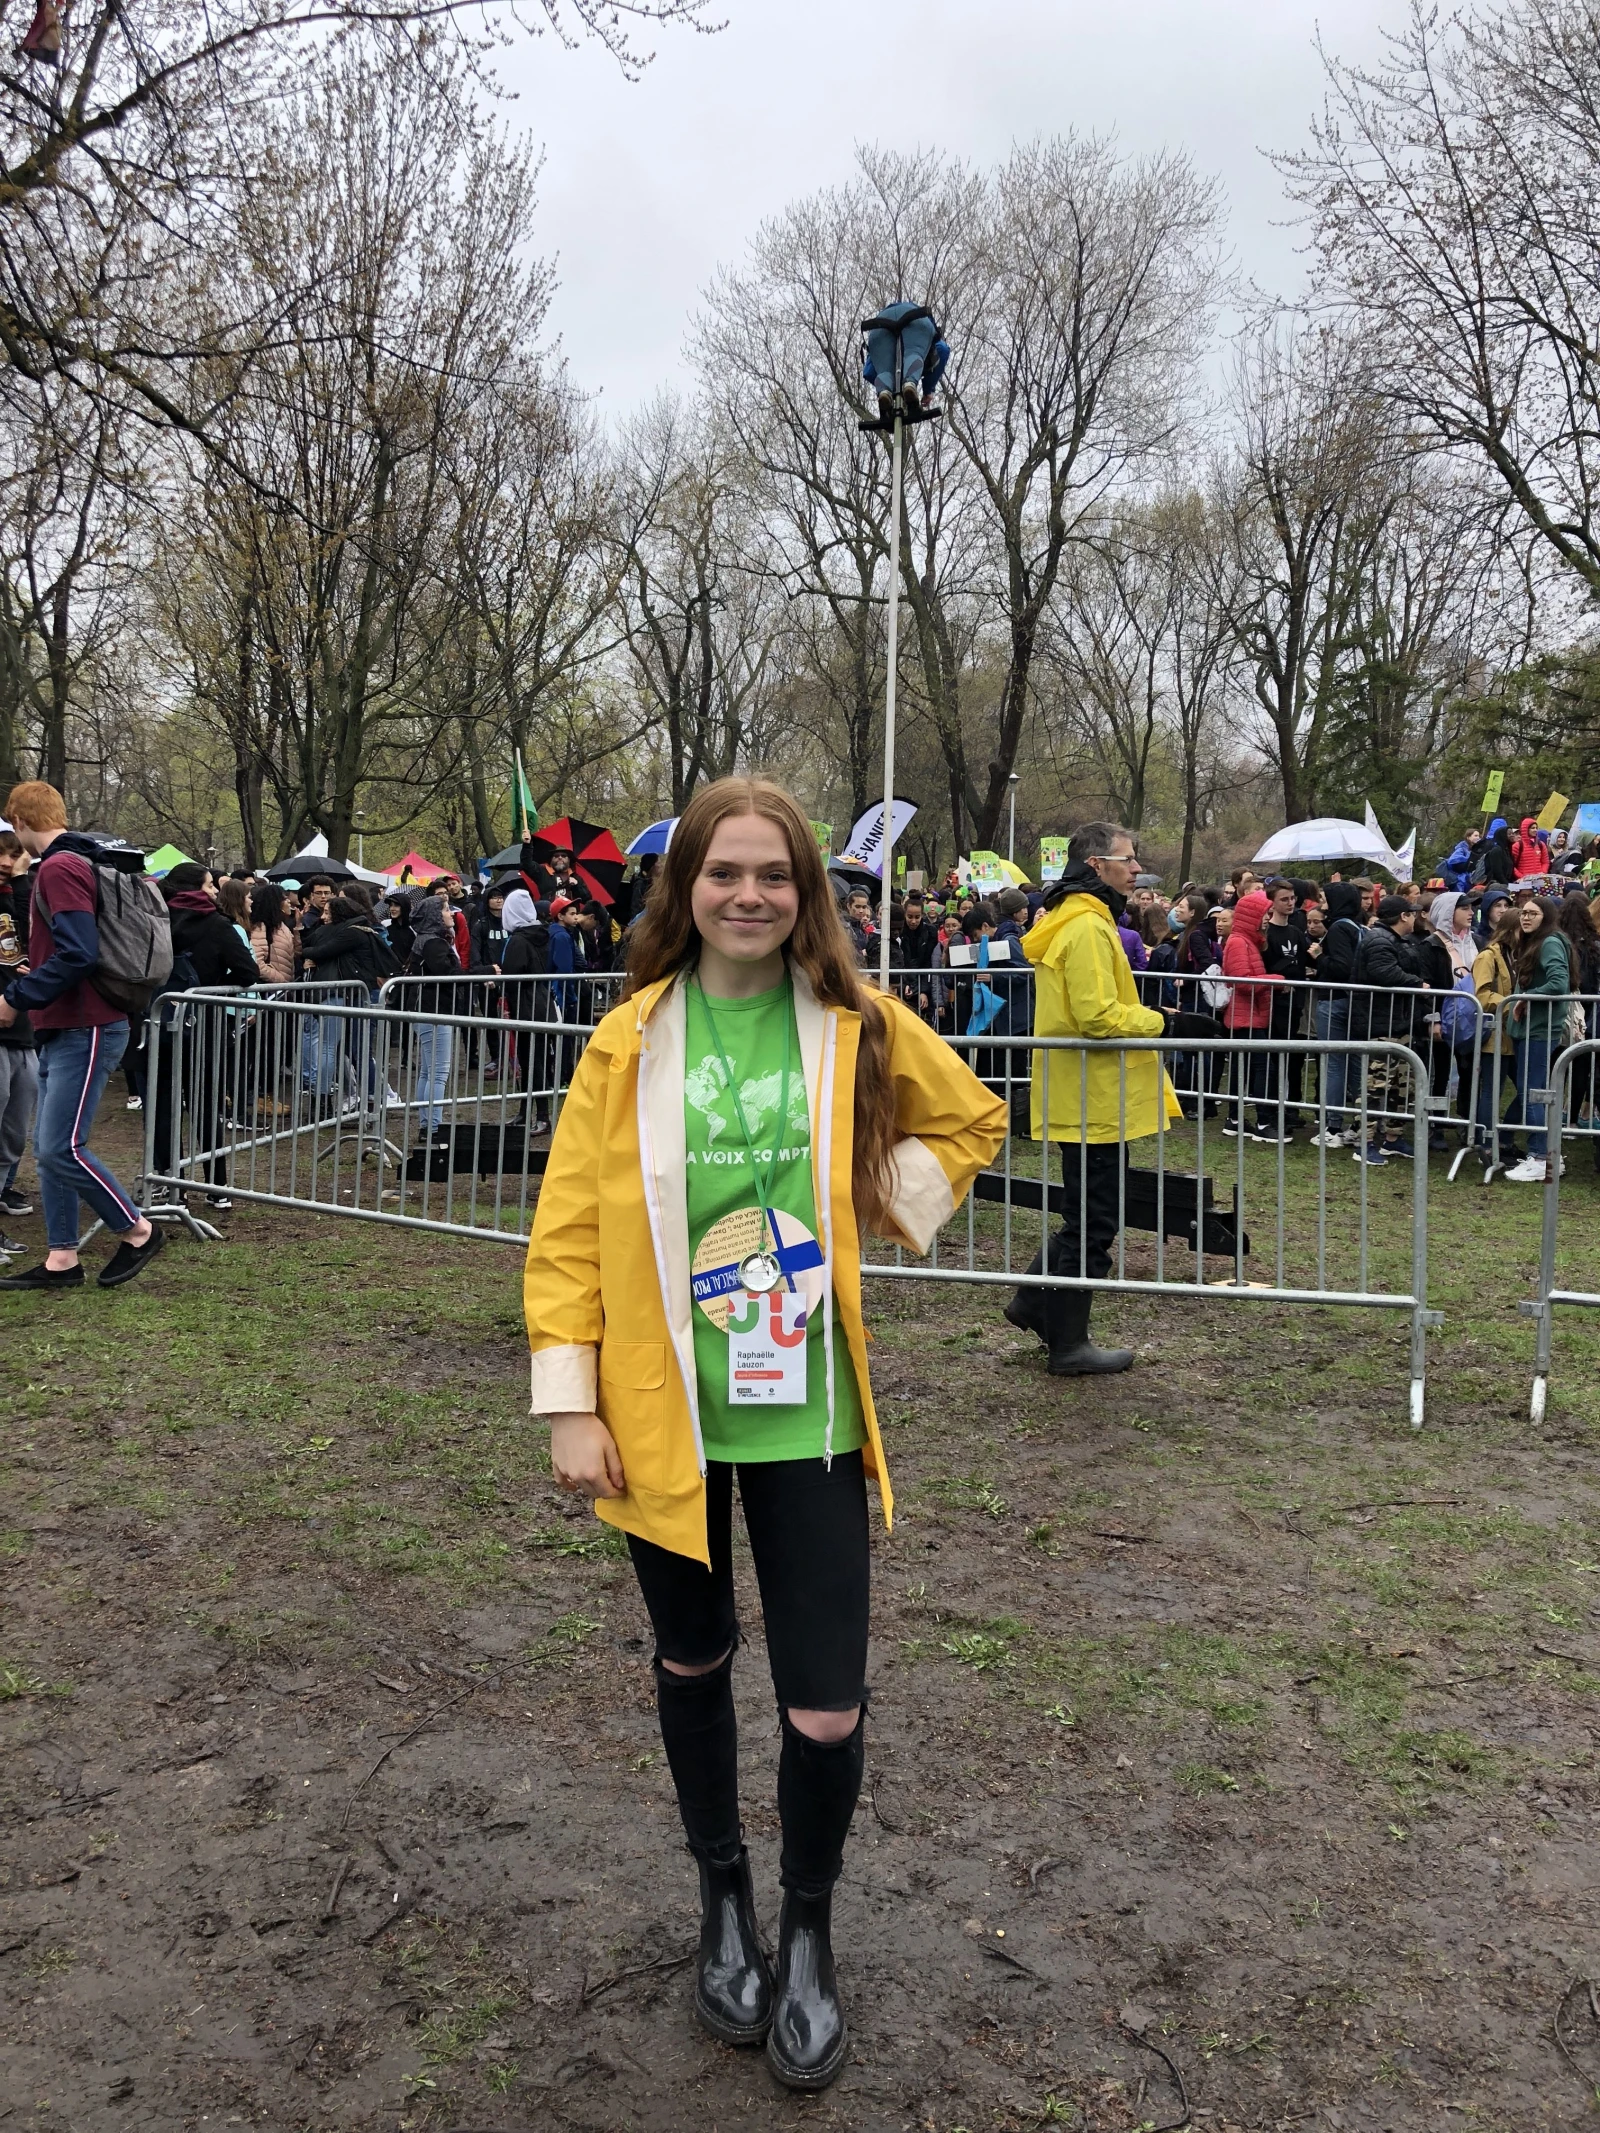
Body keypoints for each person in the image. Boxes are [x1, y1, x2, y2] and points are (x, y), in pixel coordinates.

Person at [524, 776, 1004, 2090]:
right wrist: (569, 1402)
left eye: (775, 875)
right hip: (663, 1413)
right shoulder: (628, 1038)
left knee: (826, 1706)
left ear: (808, 895)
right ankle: (721, 1899)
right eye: (725, 872)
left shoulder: (855, 1023)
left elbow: (972, 1119)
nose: (750, 894)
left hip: (808, 1412)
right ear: (685, 892)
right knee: (691, 1662)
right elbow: (566, 1228)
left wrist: (873, 1196)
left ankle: (807, 1928)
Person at [1002, 822, 1192, 1374]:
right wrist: (1166, 1023)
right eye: (1127, 860)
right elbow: (1097, 1015)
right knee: (1094, 1222)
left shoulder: (1083, 919)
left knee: (1086, 1213)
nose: (1136, 870)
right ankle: (1068, 1343)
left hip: (1087, 1094)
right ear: (1094, 865)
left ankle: (1035, 1304)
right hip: (1093, 1098)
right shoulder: (1086, 926)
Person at [0, 781, 163, 1291]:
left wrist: (15, 997)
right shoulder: (73, 861)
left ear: (20, 822)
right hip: (66, 1024)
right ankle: (62, 1258)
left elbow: (78, 952)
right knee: (49, 1148)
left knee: (58, 1148)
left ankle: (138, 1231)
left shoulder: (60, 867)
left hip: (85, 1022)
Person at [1504, 895, 1575, 1183]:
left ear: (1546, 916)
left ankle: (1541, 1157)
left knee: (1533, 1093)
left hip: (1539, 1028)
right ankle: (1539, 1151)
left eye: (1533, 913)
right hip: (1532, 1028)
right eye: (1523, 912)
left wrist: (1525, 1000)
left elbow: (1559, 982)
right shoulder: (1539, 942)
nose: (1526, 917)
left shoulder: (1549, 942)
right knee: (1531, 1091)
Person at [1350, 896, 1426, 1164]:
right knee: (1376, 1085)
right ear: (1403, 916)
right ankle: (1364, 1142)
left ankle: (1394, 1138)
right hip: (1381, 1024)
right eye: (1412, 913)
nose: (1416, 917)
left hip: (1399, 1023)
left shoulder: (1393, 940)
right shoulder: (1380, 940)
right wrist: (1417, 983)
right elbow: (1384, 972)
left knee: (1402, 1086)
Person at [0, 830, 38, 1237]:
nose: (8, 862)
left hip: (23, 1032)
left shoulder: (17, 894)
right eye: (2, 854)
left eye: (15, 855)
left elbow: (31, 938)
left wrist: (24, 880)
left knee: (13, 1133)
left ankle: (5, 1191)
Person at [861, 300, 948, 423]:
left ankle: (884, 392)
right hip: (917, 317)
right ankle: (909, 384)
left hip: (878, 326)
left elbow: (868, 372)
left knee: (884, 370)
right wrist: (928, 390)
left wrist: (888, 389)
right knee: (913, 352)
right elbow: (943, 350)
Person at [1511, 817, 1548, 882]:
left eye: (1536, 828)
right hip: (1523, 881)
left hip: (1539, 880)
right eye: (1532, 828)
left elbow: (1545, 862)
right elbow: (1511, 866)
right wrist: (1522, 877)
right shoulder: (1517, 846)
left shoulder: (1541, 844)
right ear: (1526, 829)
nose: (1535, 830)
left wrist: (1543, 873)